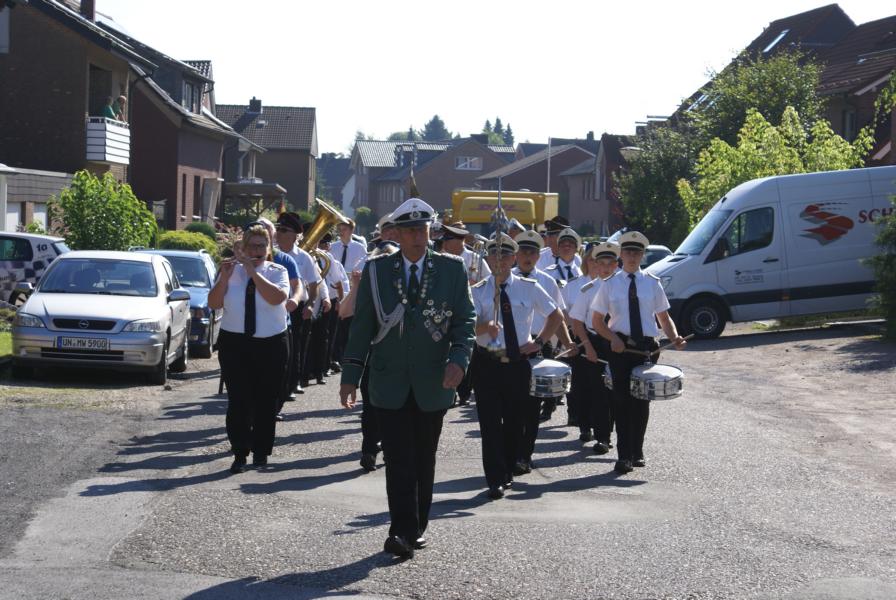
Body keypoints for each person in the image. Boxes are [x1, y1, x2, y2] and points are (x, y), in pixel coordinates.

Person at [339, 197, 475, 560]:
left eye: (422, 229)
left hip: (434, 380)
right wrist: (350, 375)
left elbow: (465, 320)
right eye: (410, 230)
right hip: (389, 380)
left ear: (431, 231)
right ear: (396, 234)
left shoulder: (451, 269)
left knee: (423, 458)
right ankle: (400, 530)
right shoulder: (377, 270)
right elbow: (363, 325)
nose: (417, 236)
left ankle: (416, 527)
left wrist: (459, 360)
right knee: (398, 458)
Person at [471, 233, 562, 500]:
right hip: (487, 363)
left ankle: (509, 468)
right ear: (488, 259)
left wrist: (539, 341)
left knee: (514, 421)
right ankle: (495, 478)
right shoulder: (477, 290)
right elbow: (467, 327)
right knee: (489, 424)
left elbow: (555, 314)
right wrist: (484, 327)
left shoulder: (528, 287)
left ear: (513, 259)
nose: (499, 261)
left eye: (505, 256)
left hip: (517, 364)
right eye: (494, 255)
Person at [591, 231, 686, 474]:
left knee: (641, 401)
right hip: (620, 347)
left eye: (637, 252)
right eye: (628, 252)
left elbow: (663, 317)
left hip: (646, 348)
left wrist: (674, 337)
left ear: (643, 255)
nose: (632, 256)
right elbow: (597, 321)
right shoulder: (609, 284)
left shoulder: (652, 282)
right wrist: (612, 338)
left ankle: (637, 451)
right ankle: (624, 456)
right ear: (621, 255)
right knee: (621, 401)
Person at [208, 224, 290, 473]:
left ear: (268, 248)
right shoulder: (230, 270)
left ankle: (261, 451)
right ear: (243, 248)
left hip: (270, 342)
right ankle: (240, 451)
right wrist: (224, 277)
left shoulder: (277, 271)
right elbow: (213, 303)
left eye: (261, 246)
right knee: (238, 400)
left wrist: (252, 272)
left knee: (266, 399)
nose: (257, 251)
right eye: (252, 246)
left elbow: (276, 298)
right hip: (235, 342)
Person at [511, 229, 576, 472]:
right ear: (516, 254)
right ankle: (511, 453)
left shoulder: (547, 281)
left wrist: (567, 343)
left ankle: (524, 456)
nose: (528, 256)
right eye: (523, 251)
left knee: (531, 407)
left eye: (532, 252)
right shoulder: (505, 278)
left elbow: (557, 318)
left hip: (539, 346)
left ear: (539, 256)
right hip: (511, 347)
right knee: (511, 407)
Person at [568, 241, 619, 451]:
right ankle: (594, 432)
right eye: (601, 263)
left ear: (616, 265)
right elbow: (577, 321)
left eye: (610, 263)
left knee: (612, 392)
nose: (605, 268)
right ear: (595, 265)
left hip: (617, 341)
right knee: (593, 390)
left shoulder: (623, 287)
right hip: (593, 341)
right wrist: (587, 345)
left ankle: (607, 434)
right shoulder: (588, 289)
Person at [275, 212, 324, 394]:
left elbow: (314, 284)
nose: (278, 233)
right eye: (278, 229)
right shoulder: (271, 254)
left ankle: (293, 383)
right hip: (275, 306)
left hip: (297, 308)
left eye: (283, 230)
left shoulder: (304, 257)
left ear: (295, 235)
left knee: (296, 346)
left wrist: (310, 304)